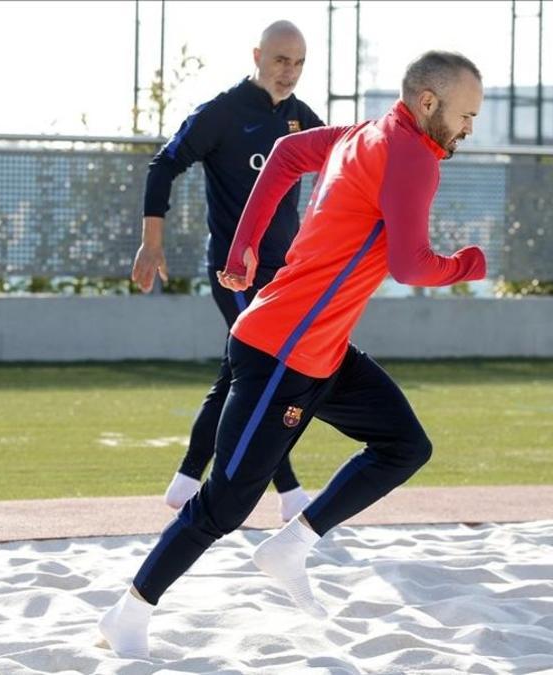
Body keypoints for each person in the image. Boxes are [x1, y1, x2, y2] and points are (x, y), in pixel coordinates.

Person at [101, 50, 485, 658]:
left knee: (405, 446)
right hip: (279, 352)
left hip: (322, 351)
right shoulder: (410, 154)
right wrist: (469, 263)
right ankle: (129, 611)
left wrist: (243, 247)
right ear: (429, 103)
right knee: (224, 504)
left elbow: (283, 155)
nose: (470, 128)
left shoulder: (367, 133)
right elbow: (412, 265)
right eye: (466, 114)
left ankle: (292, 544)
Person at [132, 20, 324, 523]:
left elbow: (342, 168)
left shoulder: (302, 119)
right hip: (234, 274)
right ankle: (290, 491)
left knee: (240, 372)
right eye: (282, 60)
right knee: (262, 373)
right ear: (258, 55)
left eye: (300, 62)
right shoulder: (221, 113)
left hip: (284, 275)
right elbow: (163, 165)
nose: (290, 72)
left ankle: (186, 479)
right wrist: (152, 243)